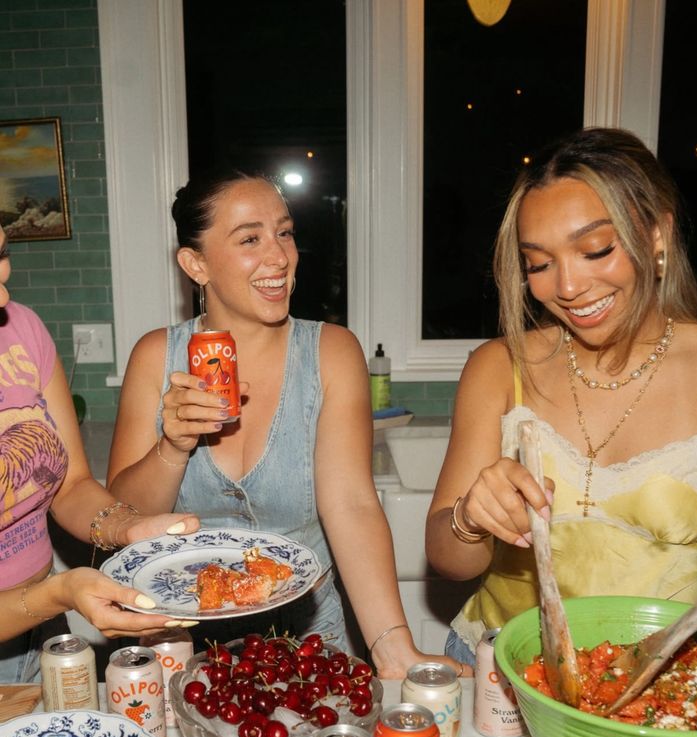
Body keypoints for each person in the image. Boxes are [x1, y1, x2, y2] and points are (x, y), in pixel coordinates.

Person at [106, 167, 471, 679]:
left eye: (284, 233)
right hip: (177, 642)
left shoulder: (331, 352)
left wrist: (393, 649)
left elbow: (352, 506)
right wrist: (174, 445)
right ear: (195, 263)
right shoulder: (155, 357)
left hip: (309, 642)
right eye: (250, 239)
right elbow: (122, 521)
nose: (279, 257)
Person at [426, 127, 697, 667]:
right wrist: (470, 519)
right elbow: (447, 561)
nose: (567, 287)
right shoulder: (497, 366)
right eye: (539, 264)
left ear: (657, 234)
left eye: (596, 249)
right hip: (498, 671)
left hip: (662, 681)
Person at [0, 225, 201, 683]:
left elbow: (70, 484)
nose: (2, 295)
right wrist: (60, 593)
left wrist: (127, 525)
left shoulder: (22, 328)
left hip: (44, 635)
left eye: (2, 254)